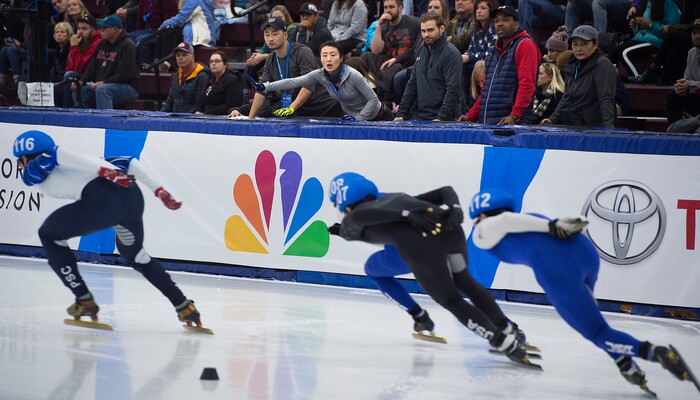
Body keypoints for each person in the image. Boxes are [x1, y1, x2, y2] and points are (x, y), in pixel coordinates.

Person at [469, 187, 696, 394]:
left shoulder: (484, 229)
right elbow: (510, 219)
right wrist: (552, 225)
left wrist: (552, 225)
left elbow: (502, 221)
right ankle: (624, 362)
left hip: (555, 266)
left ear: (479, 214)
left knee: (596, 331)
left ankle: (654, 352)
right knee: (595, 323)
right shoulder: (526, 219)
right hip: (583, 251)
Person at [326, 173, 535, 367]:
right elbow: (446, 190)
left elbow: (356, 221)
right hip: (450, 229)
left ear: (344, 206)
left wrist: (404, 216)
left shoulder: (352, 218)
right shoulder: (395, 197)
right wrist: (455, 207)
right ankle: (508, 328)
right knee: (464, 282)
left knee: (449, 299)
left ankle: (498, 340)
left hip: (418, 246)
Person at [11, 130, 205, 329]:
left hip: (103, 201)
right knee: (137, 256)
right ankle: (184, 306)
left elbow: (57, 153)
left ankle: (84, 299)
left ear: (25, 157)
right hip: (132, 198)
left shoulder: (40, 164)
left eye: (19, 161)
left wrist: (105, 173)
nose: (20, 166)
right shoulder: (89, 161)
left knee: (49, 235)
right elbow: (129, 162)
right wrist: (158, 190)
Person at [227, 17, 342, 119]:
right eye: (267, 34)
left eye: (275, 34)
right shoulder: (271, 59)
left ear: (285, 34)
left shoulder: (302, 52)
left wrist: (290, 108)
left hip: (324, 110)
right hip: (300, 113)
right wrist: (250, 118)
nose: (270, 38)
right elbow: (262, 90)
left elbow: (309, 86)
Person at [250, 41, 391, 121]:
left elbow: (373, 100)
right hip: (352, 120)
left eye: (333, 55)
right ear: (321, 59)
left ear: (341, 58)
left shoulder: (353, 75)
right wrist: (266, 86)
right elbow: (293, 82)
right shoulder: (319, 75)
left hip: (379, 117)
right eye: (325, 55)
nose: (328, 59)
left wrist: (359, 119)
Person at [463, 5, 540, 125]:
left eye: (505, 20)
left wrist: (514, 116)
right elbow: (486, 91)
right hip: (488, 123)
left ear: (516, 25)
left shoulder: (525, 45)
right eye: (497, 21)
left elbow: (527, 85)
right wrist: (470, 116)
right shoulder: (493, 50)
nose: (499, 24)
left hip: (512, 125)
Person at [541, 25, 616, 127]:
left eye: (584, 44)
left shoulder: (602, 65)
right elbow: (566, 97)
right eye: (575, 44)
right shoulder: (571, 64)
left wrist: (609, 130)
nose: (578, 49)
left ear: (595, 44)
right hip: (569, 125)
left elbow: (606, 99)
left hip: (590, 128)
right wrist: (552, 119)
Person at [394, 13, 462, 121]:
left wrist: (442, 117)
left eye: (430, 30)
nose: (426, 35)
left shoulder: (451, 54)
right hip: (420, 117)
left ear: (441, 29)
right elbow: (412, 84)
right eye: (423, 31)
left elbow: (453, 89)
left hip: (444, 121)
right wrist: (401, 114)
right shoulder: (421, 50)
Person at [359, 0, 420, 103]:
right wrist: (378, 25)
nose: (387, 10)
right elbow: (375, 50)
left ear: (400, 8)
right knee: (366, 56)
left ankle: (385, 102)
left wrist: (396, 59)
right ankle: (366, 95)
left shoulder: (413, 23)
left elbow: (416, 48)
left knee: (391, 68)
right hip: (387, 61)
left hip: (404, 62)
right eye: (385, 7)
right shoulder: (384, 26)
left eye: (391, 7)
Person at [75, 16, 140, 109]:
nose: (101, 30)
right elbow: (91, 68)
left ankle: (105, 121)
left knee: (103, 90)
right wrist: (82, 80)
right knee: (80, 90)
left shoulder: (128, 46)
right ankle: (85, 120)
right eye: (101, 28)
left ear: (115, 29)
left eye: (104, 28)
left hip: (128, 87)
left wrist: (104, 82)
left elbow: (124, 75)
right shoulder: (102, 43)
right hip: (105, 84)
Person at [629, 1, 700, 85]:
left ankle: (651, 70)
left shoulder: (669, 4)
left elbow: (691, 24)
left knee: (671, 37)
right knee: (673, 52)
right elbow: (684, 23)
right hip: (687, 34)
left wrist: (669, 27)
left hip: (689, 34)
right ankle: (673, 86)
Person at [607, 0, 680, 81]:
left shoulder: (667, 3)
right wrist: (636, 25)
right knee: (613, 51)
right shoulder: (647, 3)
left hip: (656, 41)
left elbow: (670, 31)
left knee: (624, 53)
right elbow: (642, 30)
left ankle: (640, 79)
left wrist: (650, 24)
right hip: (641, 38)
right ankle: (613, 82)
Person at [63, 15, 102, 108]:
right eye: (79, 28)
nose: (80, 32)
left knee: (73, 80)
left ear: (93, 30)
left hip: (94, 79)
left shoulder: (97, 42)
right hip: (85, 77)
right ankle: (66, 110)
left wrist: (74, 47)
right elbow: (70, 67)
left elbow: (80, 68)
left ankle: (75, 111)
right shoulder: (81, 41)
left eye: (84, 29)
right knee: (68, 76)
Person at [665, 19, 700, 123]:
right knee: (672, 96)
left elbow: (691, 84)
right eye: (694, 33)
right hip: (696, 96)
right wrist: (682, 86)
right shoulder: (692, 53)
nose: (697, 36)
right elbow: (687, 79)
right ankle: (675, 132)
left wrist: (690, 85)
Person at [161, 42, 210, 113]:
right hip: (175, 119)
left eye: (184, 55)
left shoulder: (202, 77)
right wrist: (160, 115)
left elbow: (198, 105)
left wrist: (184, 119)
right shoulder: (176, 76)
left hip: (191, 120)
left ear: (193, 57)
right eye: (178, 55)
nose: (180, 58)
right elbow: (170, 101)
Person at [127, 0, 179, 67]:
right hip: (147, 30)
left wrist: (160, 33)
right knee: (128, 38)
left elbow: (170, 19)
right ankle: (133, 69)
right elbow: (139, 20)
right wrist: (138, 32)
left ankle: (147, 70)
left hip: (161, 31)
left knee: (141, 40)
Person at [565, 0, 634, 36]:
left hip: (626, 3)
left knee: (598, 2)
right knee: (572, 3)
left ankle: (599, 40)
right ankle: (568, 41)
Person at [51, 22, 74, 108]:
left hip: (66, 81)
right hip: (57, 81)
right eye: (57, 32)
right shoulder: (56, 51)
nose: (59, 34)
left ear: (69, 35)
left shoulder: (71, 49)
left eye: (62, 32)